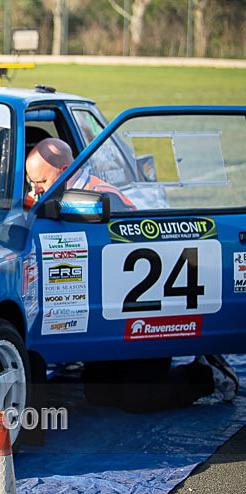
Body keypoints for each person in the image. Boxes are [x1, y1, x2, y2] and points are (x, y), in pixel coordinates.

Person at [25, 139, 239, 412]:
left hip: (140, 317)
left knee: (137, 399)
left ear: (66, 170)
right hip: (108, 316)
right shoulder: (58, 192)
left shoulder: (102, 199)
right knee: (98, 395)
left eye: (40, 181)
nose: (36, 189)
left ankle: (207, 374)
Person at [24, 137, 135, 211]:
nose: (37, 189)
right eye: (31, 181)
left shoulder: (104, 197)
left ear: (65, 172)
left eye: (42, 181)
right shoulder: (38, 194)